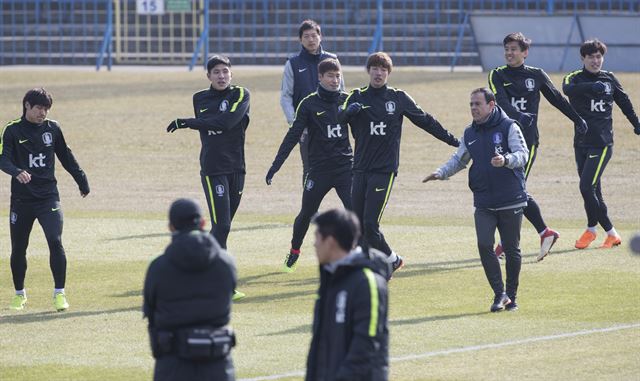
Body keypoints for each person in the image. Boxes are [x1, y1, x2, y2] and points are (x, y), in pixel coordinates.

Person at [338, 52, 459, 274]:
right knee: (357, 224)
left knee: (370, 224)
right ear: (368, 71)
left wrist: (453, 141)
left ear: (388, 73)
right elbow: (339, 117)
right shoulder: (356, 96)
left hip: (384, 170)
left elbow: (426, 121)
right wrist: (348, 113)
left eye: (383, 69)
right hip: (360, 168)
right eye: (375, 68)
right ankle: (372, 263)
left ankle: (391, 260)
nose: (379, 73)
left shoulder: (398, 98)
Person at [423, 88, 529, 312]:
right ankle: (499, 294)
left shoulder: (509, 126)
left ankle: (511, 295)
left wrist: (506, 159)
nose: (473, 108)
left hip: (510, 197)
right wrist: (441, 173)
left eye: (477, 104)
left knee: (511, 249)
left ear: (491, 105)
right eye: (471, 104)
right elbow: (459, 160)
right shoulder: (469, 133)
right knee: (484, 244)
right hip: (483, 200)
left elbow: (523, 154)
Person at [488, 32, 588, 261]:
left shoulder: (537, 75)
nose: (509, 53)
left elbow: (557, 99)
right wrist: (519, 116)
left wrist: (577, 118)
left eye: (514, 49)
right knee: (510, 189)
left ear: (525, 52)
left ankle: (511, 241)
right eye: (507, 49)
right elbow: (500, 103)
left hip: (526, 142)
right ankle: (543, 233)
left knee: (514, 188)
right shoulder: (496, 74)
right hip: (500, 141)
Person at [166, 54, 249, 300]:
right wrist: (202, 123)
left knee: (221, 228)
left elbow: (227, 122)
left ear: (231, 73)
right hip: (213, 169)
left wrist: (187, 123)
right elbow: (211, 124)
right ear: (208, 76)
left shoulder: (241, 95)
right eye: (216, 72)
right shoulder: (199, 98)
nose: (221, 76)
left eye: (225, 71)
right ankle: (222, 282)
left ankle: (189, 265)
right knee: (221, 226)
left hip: (238, 168)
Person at [0, 88, 89, 312]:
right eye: (39, 107)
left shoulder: (53, 128)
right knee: (19, 248)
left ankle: (60, 294)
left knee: (55, 240)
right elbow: (3, 158)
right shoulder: (12, 130)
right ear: (27, 106)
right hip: (22, 200)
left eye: (47, 108)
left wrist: (81, 179)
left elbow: (65, 156)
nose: (43, 112)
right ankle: (19, 294)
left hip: (48, 196)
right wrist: (16, 171)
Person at [267, 58, 353, 272]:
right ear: (320, 77)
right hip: (319, 171)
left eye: (338, 76)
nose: (335, 80)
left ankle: (357, 256)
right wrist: (276, 165)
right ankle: (295, 249)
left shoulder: (348, 100)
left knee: (355, 214)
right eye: (331, 76)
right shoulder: (309, 103)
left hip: (345, 169)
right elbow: (292, 136)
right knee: (306, 213)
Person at [143, 198, 237, 381]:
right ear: (202, 223)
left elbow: (150, 311)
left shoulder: (158, 268)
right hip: (217, 365)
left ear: (170, 227)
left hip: (172, 366)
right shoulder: (226, 263)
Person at [563, 39, 640, 249]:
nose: (596, 61)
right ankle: (610, 234)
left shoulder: (610, 79)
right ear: (583, 58)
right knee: (594, 191)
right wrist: (591, 86)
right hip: (580, 143)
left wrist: (636, 123)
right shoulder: (574, 78)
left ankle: (593, 230)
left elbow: (624, 102)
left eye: (599, 56)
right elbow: (567, 89)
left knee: (586, 187)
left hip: (602, 143)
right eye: (591, 57)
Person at [305, 208, 390, 381]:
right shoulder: (330, 279)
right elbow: (319, 344)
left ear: (330, 241)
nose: (314, 244)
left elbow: (366, 346)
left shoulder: (368, 282)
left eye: (317, 237)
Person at [280, 19, 345, 186]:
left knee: (342, 167)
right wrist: (295, 123)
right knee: (310, 168)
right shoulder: (293, 63)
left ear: (320, 37)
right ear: (300, 39)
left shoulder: (332, 60)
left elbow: (341, 93)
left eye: (314, 35)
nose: (311, 39)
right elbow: (286, 96)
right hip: (307, 127)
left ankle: (348, 207)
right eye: (306, 36)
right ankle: (309, 208)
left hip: (332, 125)